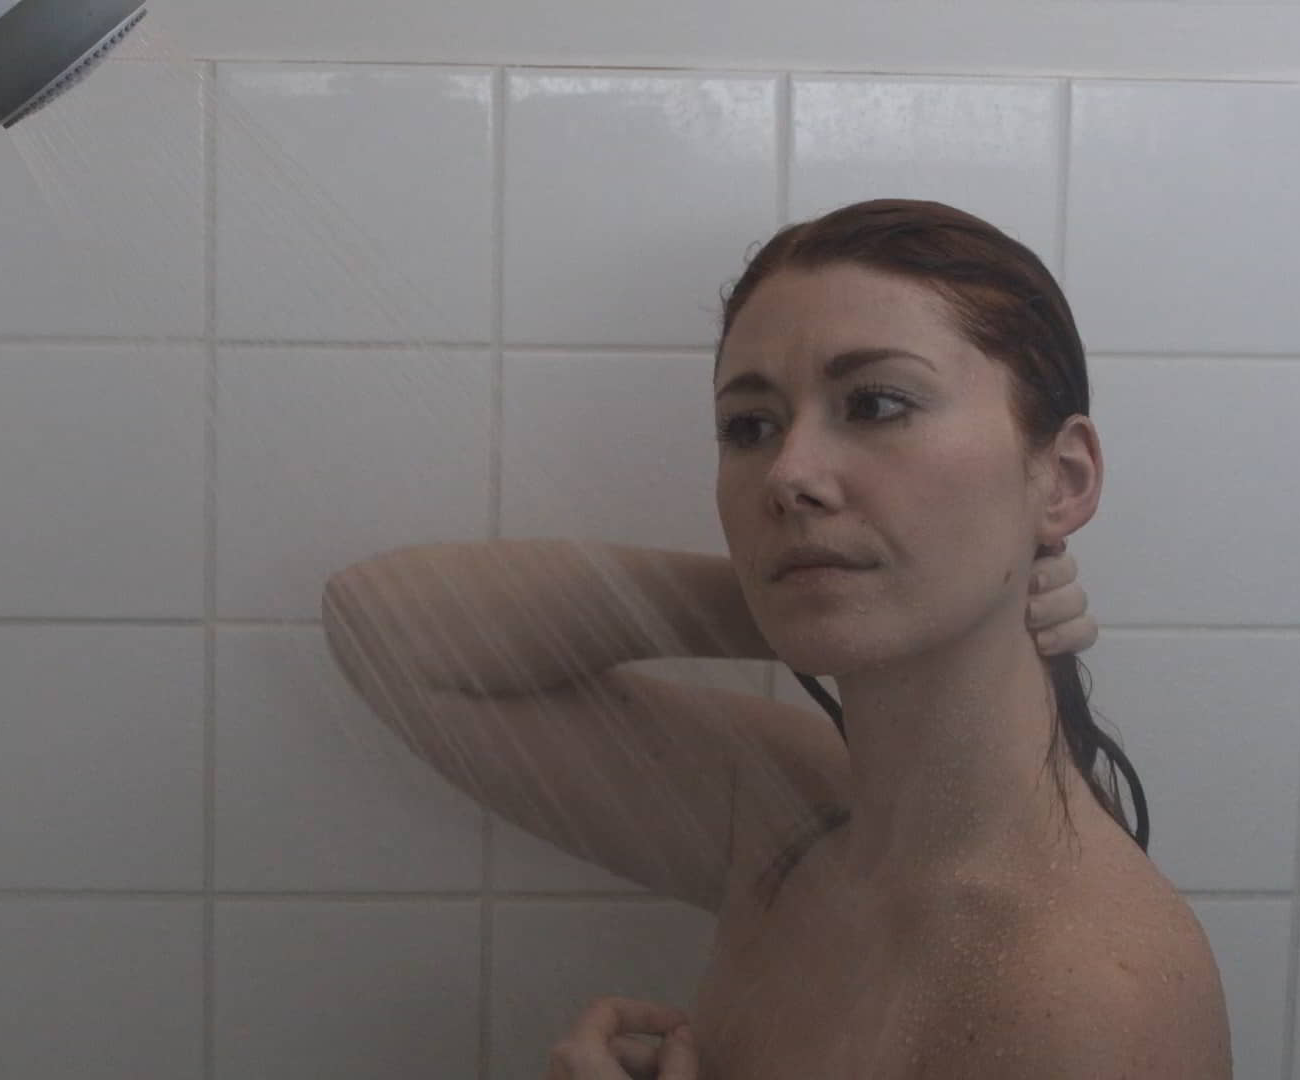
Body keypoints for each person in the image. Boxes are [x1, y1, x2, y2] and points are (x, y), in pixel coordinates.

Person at [323, 199, 1231, 1078]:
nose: (789, 474)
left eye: (877, 404)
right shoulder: (802, 821)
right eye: (750, 426)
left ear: (1062, 479)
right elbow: (386, 632)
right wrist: (777, 602)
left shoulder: (1090, 996)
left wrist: (829, 589)